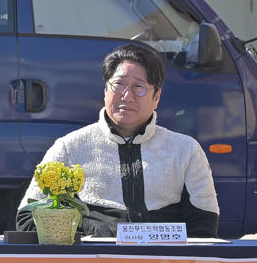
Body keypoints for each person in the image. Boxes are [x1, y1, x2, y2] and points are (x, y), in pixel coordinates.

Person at [16, 41, 219, 238]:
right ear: (105, 90)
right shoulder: (69, 148)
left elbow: (204, 227)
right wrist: (90, 237)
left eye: (139, 87)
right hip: (95, 259)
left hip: (163, 260)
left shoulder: (186, 150)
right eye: (119, 84)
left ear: (156, 98)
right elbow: (27, 220)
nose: (127, 95)